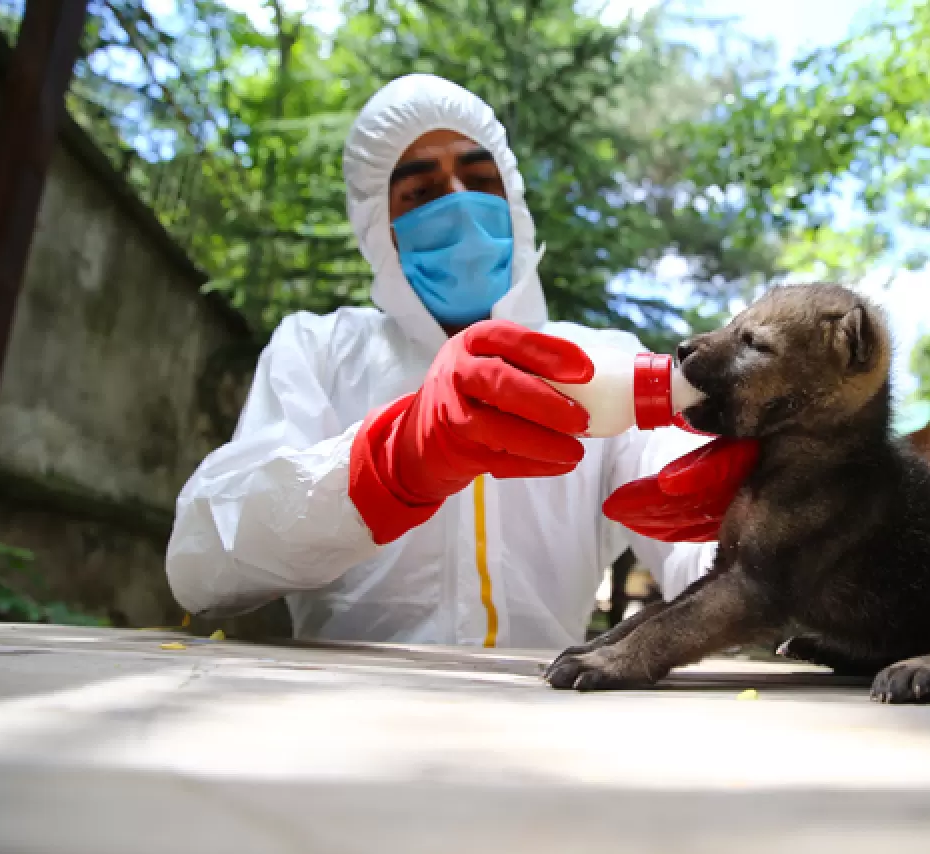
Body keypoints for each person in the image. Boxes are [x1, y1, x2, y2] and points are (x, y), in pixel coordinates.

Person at [165, 74, 755, 647]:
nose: (460, 203)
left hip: (548, 711)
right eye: (421, 192)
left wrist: (752, 513)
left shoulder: (602, 359)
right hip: (347, 716)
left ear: (514, 200)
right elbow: (202, 568)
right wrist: (386, 465)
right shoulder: (320, 351)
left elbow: (713, 564)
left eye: (480, 179)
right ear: (379, 225)